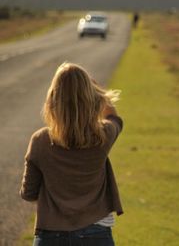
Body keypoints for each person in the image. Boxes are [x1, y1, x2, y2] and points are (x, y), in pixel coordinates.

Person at [19, 62, 124, 246]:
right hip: (97, 234)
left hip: (51, 236)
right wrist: (96, 89)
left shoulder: (40, 140)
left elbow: (29, 193)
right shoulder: (103, 135)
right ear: (91, 98)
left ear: (52, 100)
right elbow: (114, 118)